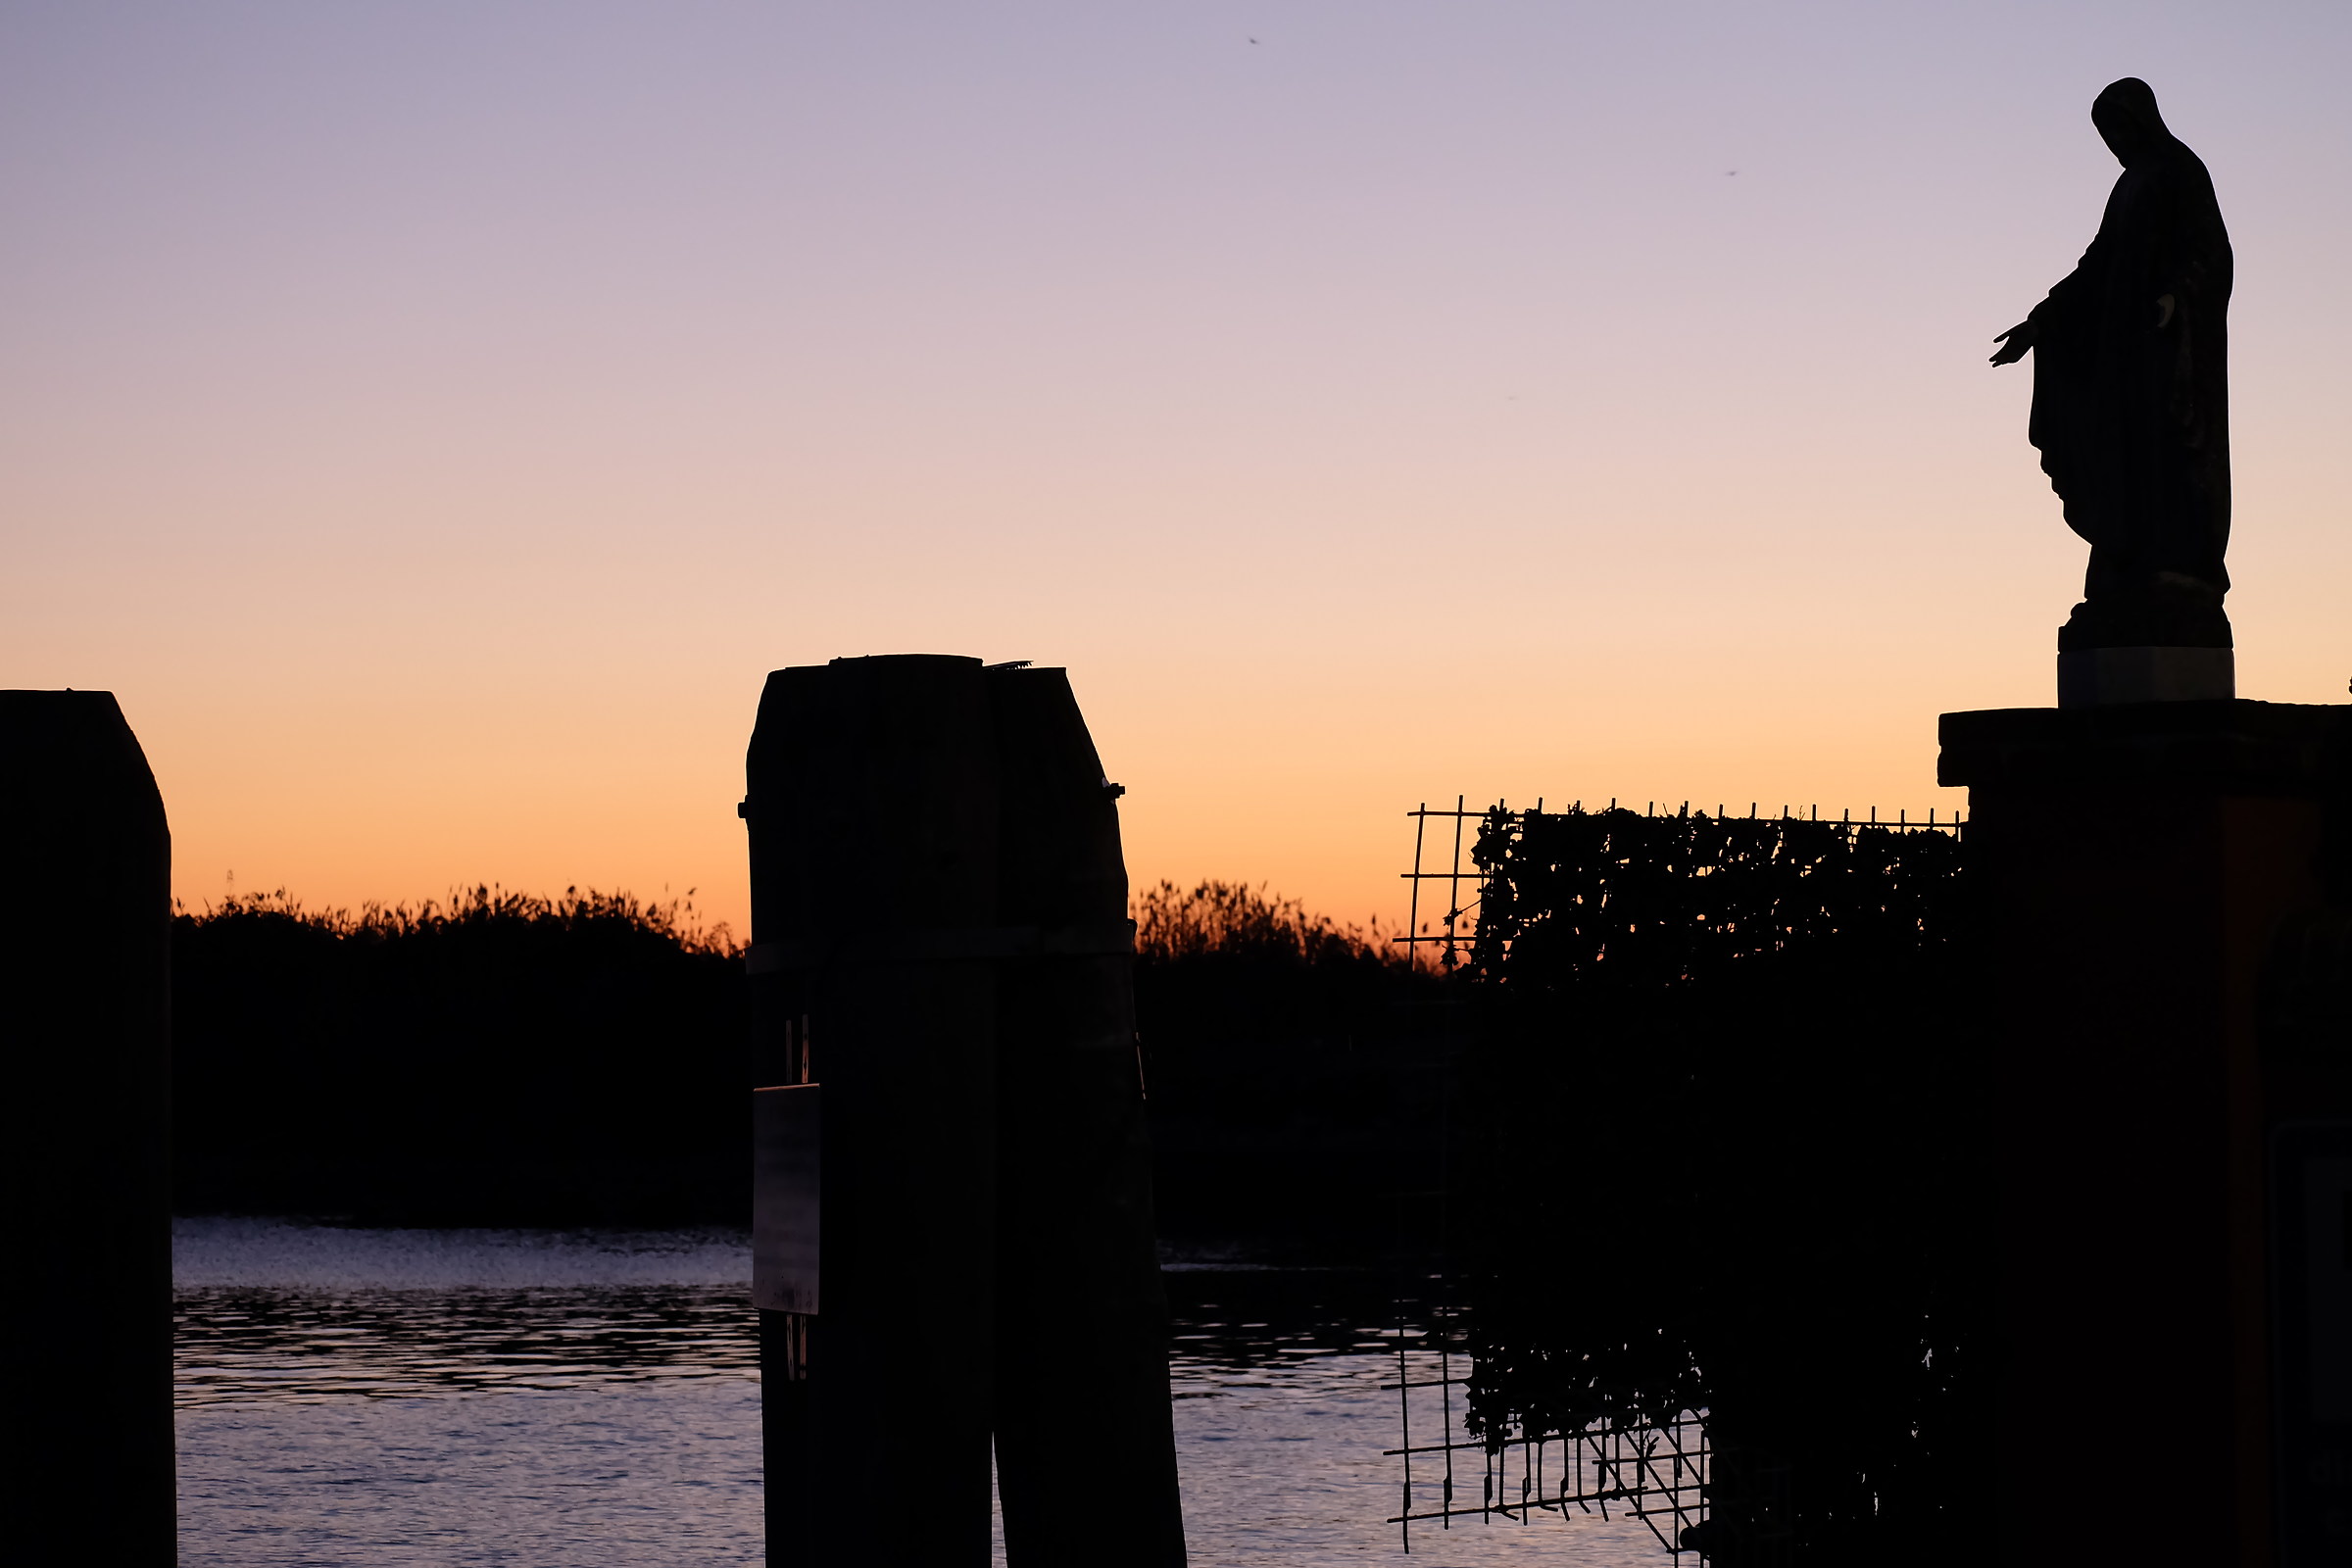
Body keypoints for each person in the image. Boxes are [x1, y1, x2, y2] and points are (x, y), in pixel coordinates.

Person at [1990, 78, 2233, 650]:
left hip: (2168, 348)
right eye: (2106, 134)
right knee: (2124, 454)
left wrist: (2176, 295)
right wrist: (2041, 322)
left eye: (2119, 129)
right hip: (2126, 353)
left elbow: (2211, 250)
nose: (2114, 143)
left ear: (2141, 121)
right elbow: (2098, 265)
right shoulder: (2128, 186)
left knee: (2168, 451)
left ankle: (2179, 564)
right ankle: (2130, 561)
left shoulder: (2179, 170)